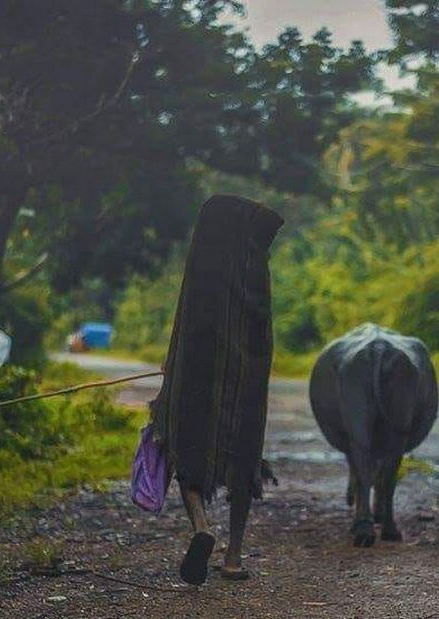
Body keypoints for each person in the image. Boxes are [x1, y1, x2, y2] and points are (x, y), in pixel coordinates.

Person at [149, 194, 283, 584]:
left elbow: (186, 326)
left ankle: (202, 527)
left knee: (183, 443)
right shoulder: (255, 271)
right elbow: (264, 341)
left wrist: (172, 366)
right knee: (244, 459)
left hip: (195, 377)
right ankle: (234, 557)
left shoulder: (203, 268)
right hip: (247, 386)